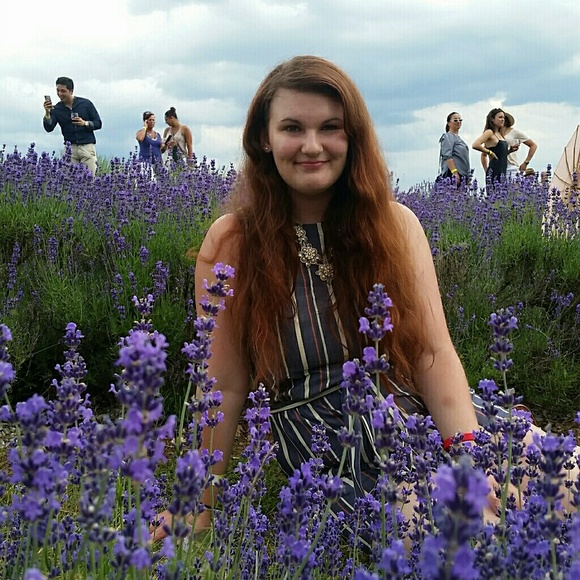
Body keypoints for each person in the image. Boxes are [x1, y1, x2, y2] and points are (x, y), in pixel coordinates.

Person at [152, 56, 510, 542]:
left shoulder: (396, 225)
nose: (312, 145)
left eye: (330, 128)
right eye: (292, 128)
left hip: (417, 412)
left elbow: (431, 353)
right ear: (264, 138)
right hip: (329, 441)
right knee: (457, 536)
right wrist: (196, 504)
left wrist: (469, 454)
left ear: (352, 137)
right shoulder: (233, 242)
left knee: (553, 487)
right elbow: (224, 385)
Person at [43, 76, 102, 174]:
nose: (59, 94)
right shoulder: (57, 109)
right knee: (68, 180)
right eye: (58, 91)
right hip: (69, 150)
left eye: (63, 91)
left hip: (87, 147)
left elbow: (98, 123)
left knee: (90, 179)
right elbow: (49, 128)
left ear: (71, 91)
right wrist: (47, 113)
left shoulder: (86, 104)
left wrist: (85, 123)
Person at [472, 108, 513, 187]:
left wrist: (510, 151)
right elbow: (475, 145)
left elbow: (499, 154)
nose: (502, 120)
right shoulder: (489, 132)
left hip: (503, 170)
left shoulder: (499, 134)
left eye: (503, 117)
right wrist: (489, 152)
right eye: (500, 117)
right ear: (492, 119)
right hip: (494, 170)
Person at [437, 112, 471, 185]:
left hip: (462, 175)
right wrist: (454, 172)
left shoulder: (458, 138)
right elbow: (447, 155)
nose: (458, 122)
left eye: (460, 120)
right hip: (453, 174)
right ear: (449, 123)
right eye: (455, 120)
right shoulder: (448, 136)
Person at [501, 112, 538, 179]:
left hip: (511, 167)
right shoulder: (494, 133)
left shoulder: (514, 132)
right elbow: (484, 153)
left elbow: (533, 145)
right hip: (498, 167)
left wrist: (526, 162)